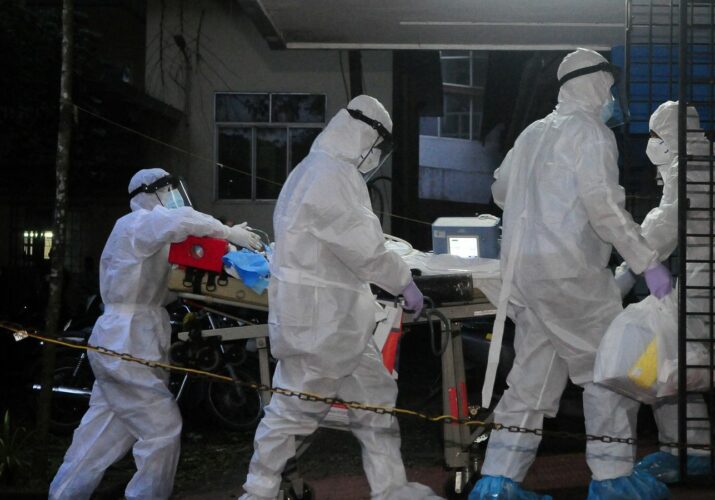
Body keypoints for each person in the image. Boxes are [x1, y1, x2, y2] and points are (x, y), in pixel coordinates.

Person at [469, 48, 672, 500]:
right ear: (595, 83)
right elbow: (605, 210)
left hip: (525, 277)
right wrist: (648, 263)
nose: (613, 96)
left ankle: (498, 482)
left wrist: (538, 197)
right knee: (607, 375)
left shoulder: (532, 134)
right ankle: (613, 478)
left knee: (530, 381)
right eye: (609, 86)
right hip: (572, 277)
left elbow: (500, 190)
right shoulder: (592, 134)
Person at [239, 95, 439, 500]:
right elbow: (364, 248)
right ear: (366, 137)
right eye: (378, 148)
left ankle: (391, 488)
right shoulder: (333, 174)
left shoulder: (312, 170)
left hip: (337, 323)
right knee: (293, 412)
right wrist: (405, 283)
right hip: (322, 325)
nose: (377, 158)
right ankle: (258, 493)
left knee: (376, 401)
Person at [49, 168, 261, 500]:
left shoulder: (151, 237)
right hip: (126, 341)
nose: (174, 198)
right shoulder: (136, 224)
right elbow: (182, 221)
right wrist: (226, 232)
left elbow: (168, 284)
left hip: (131, 339)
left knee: (98, 438)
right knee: (162, 430)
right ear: (151, 193)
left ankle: (63, 494)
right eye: (168, 191)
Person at [613, 101, 715, 483]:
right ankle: (680, 451)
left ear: (670, 137)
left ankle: (690, 454)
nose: (650, 143)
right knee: (676, 363)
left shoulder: (691, 168)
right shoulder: (703, 163)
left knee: (670, 363)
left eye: (655, 135)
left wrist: (629, 268)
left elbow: (666, 223)